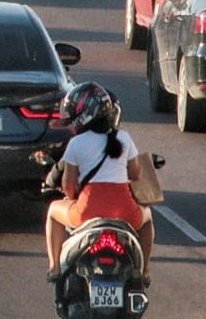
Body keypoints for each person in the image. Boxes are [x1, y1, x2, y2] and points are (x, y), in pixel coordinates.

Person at [44, 81, 155, 285]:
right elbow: (136, 174)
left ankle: (54, 268)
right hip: (125, 213)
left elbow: (69, 187)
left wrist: (73, 195)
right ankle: (145, 270)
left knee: (53, 211)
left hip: (86, 214)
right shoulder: (124, 138)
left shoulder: (76, 143)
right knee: (147, 218)